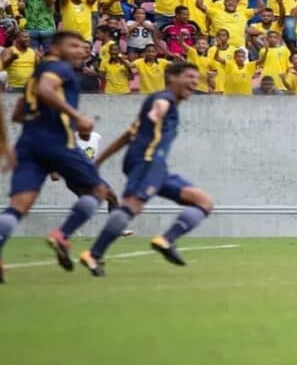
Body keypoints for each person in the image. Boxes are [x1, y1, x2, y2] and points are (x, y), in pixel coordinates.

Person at [79, 63, 216, 276]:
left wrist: (98, 162)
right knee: (132, 206)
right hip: (147, 162)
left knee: (203, 201)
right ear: (172, 77)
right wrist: (156, 113)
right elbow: (159, 107)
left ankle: (166, 240)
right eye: (189, 76)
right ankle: (94, 255)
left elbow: (127, 135)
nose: (194, 82)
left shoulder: (162, 103)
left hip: (156, 166)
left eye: (196, 78)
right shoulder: (164, 100)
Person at [0, 32, 107, 282]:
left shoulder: (33, 76)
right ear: (57, 48)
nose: (81, 51)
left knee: (18, 205)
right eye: (74, 46)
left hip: (28, 143)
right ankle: (62, 235)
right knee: (98, 192)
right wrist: (75, 116)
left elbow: (17, 113)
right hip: (57, 142)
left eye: (83, 47)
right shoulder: (59, 68)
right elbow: (46, 89)